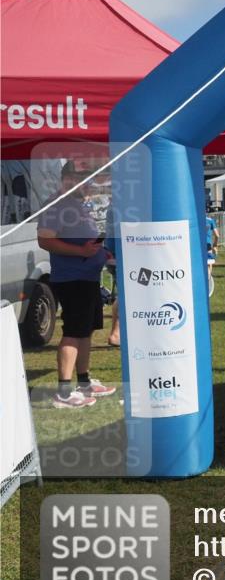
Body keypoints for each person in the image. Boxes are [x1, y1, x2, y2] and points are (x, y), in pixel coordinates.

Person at [37, 161, 117, 408]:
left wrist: (103, 254)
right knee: (73, 332)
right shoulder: (56, 204)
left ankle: (83, 382)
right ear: (67, 178)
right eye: (83, 177)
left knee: (86, 331)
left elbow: (87, 241)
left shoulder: (79, 204)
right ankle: (63, 392)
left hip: (88, 278)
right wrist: (80, 250)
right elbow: (45, 241)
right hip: (72, 279)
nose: (89, 183)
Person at [205, 212, 219, 277]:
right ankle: (208, 279)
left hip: (198, 244)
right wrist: (215, 245)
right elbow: (217, 235)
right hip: (207, 244)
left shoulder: (196, 219)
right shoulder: (210, 221)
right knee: (209, 263)